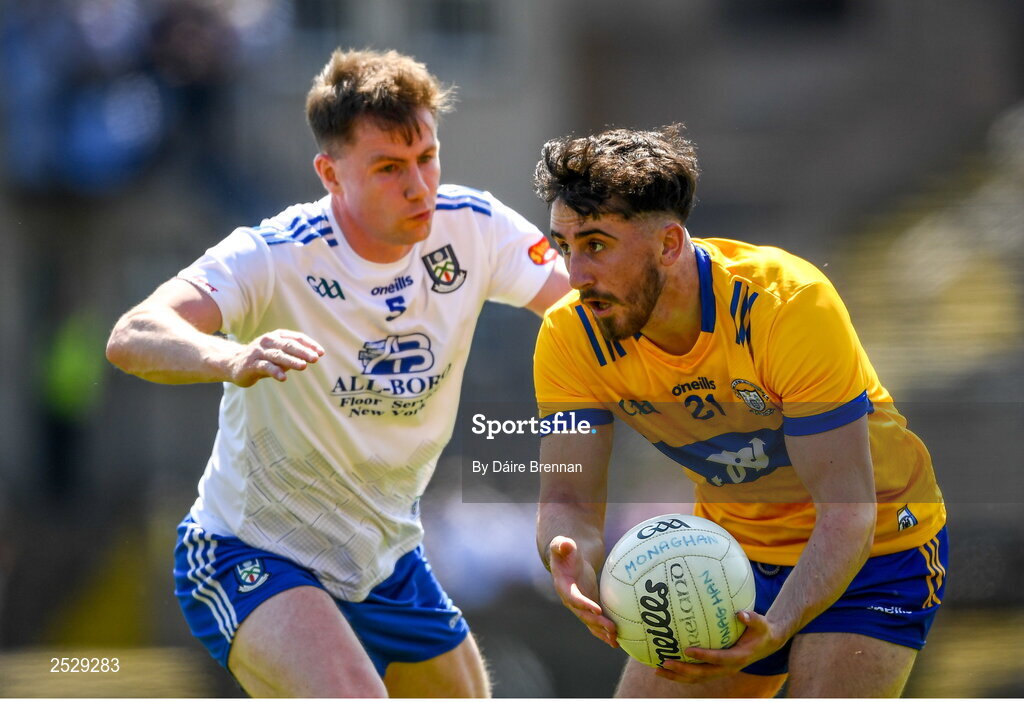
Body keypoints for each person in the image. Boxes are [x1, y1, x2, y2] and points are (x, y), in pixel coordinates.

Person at [106, 47, 568, 697]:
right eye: (387, 168)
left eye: (426, 158)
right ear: (330, 173)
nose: (418, 186)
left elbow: (581, 310)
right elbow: (133, 335)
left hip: (384, 559)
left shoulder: (475, 229)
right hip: (251, 551)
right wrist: (231, 358)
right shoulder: (274, 254)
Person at [531, 124, 946, 698]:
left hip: (877, 547)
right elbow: (567, 502)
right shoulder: (571, 335)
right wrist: (567, 555)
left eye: (596, 245)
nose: (575, 276)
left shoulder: (786, 306)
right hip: (729, 559)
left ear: (670, 246)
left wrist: (776, 626)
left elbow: (847, 514)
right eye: (564, 247)